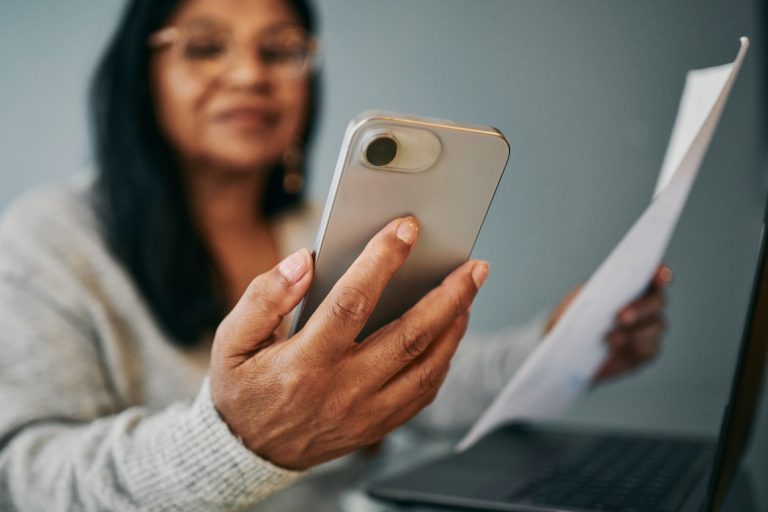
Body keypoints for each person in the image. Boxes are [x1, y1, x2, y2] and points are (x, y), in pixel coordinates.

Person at [0, 0, 670, 510]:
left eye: (281, 50)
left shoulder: (323, 229)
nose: (249, 74)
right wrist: (238, 440)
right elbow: (27, 477)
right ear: (139, 76)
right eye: (206, 47)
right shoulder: (49, 240)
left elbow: (413, 388)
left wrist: (560, 345)